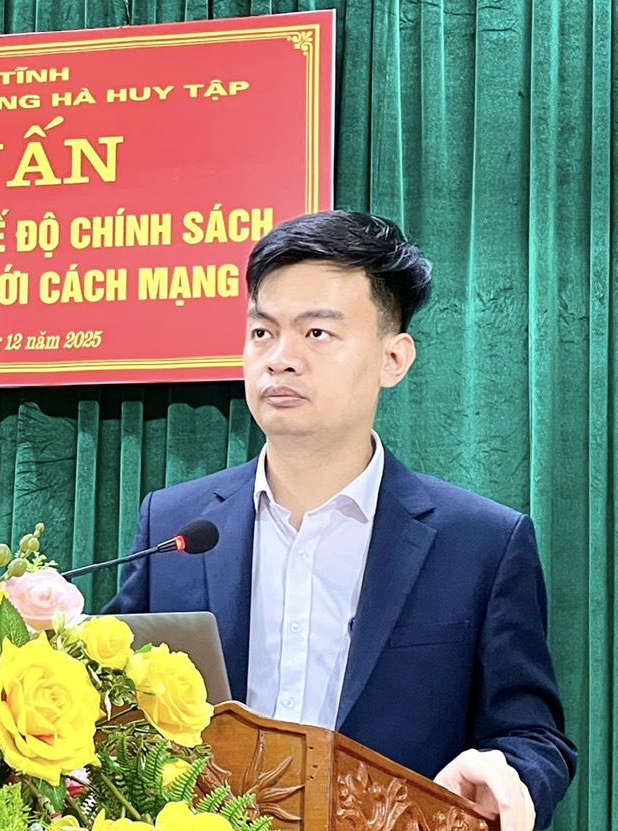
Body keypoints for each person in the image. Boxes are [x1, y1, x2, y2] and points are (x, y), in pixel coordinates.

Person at [102, 211, 576, 831]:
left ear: (393, 359)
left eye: (317, 333)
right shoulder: (176, 524)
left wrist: (509, 777)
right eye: (262, 332)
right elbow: (111, 694)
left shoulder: (481, 543)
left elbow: (531, 735)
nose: (281, 359)